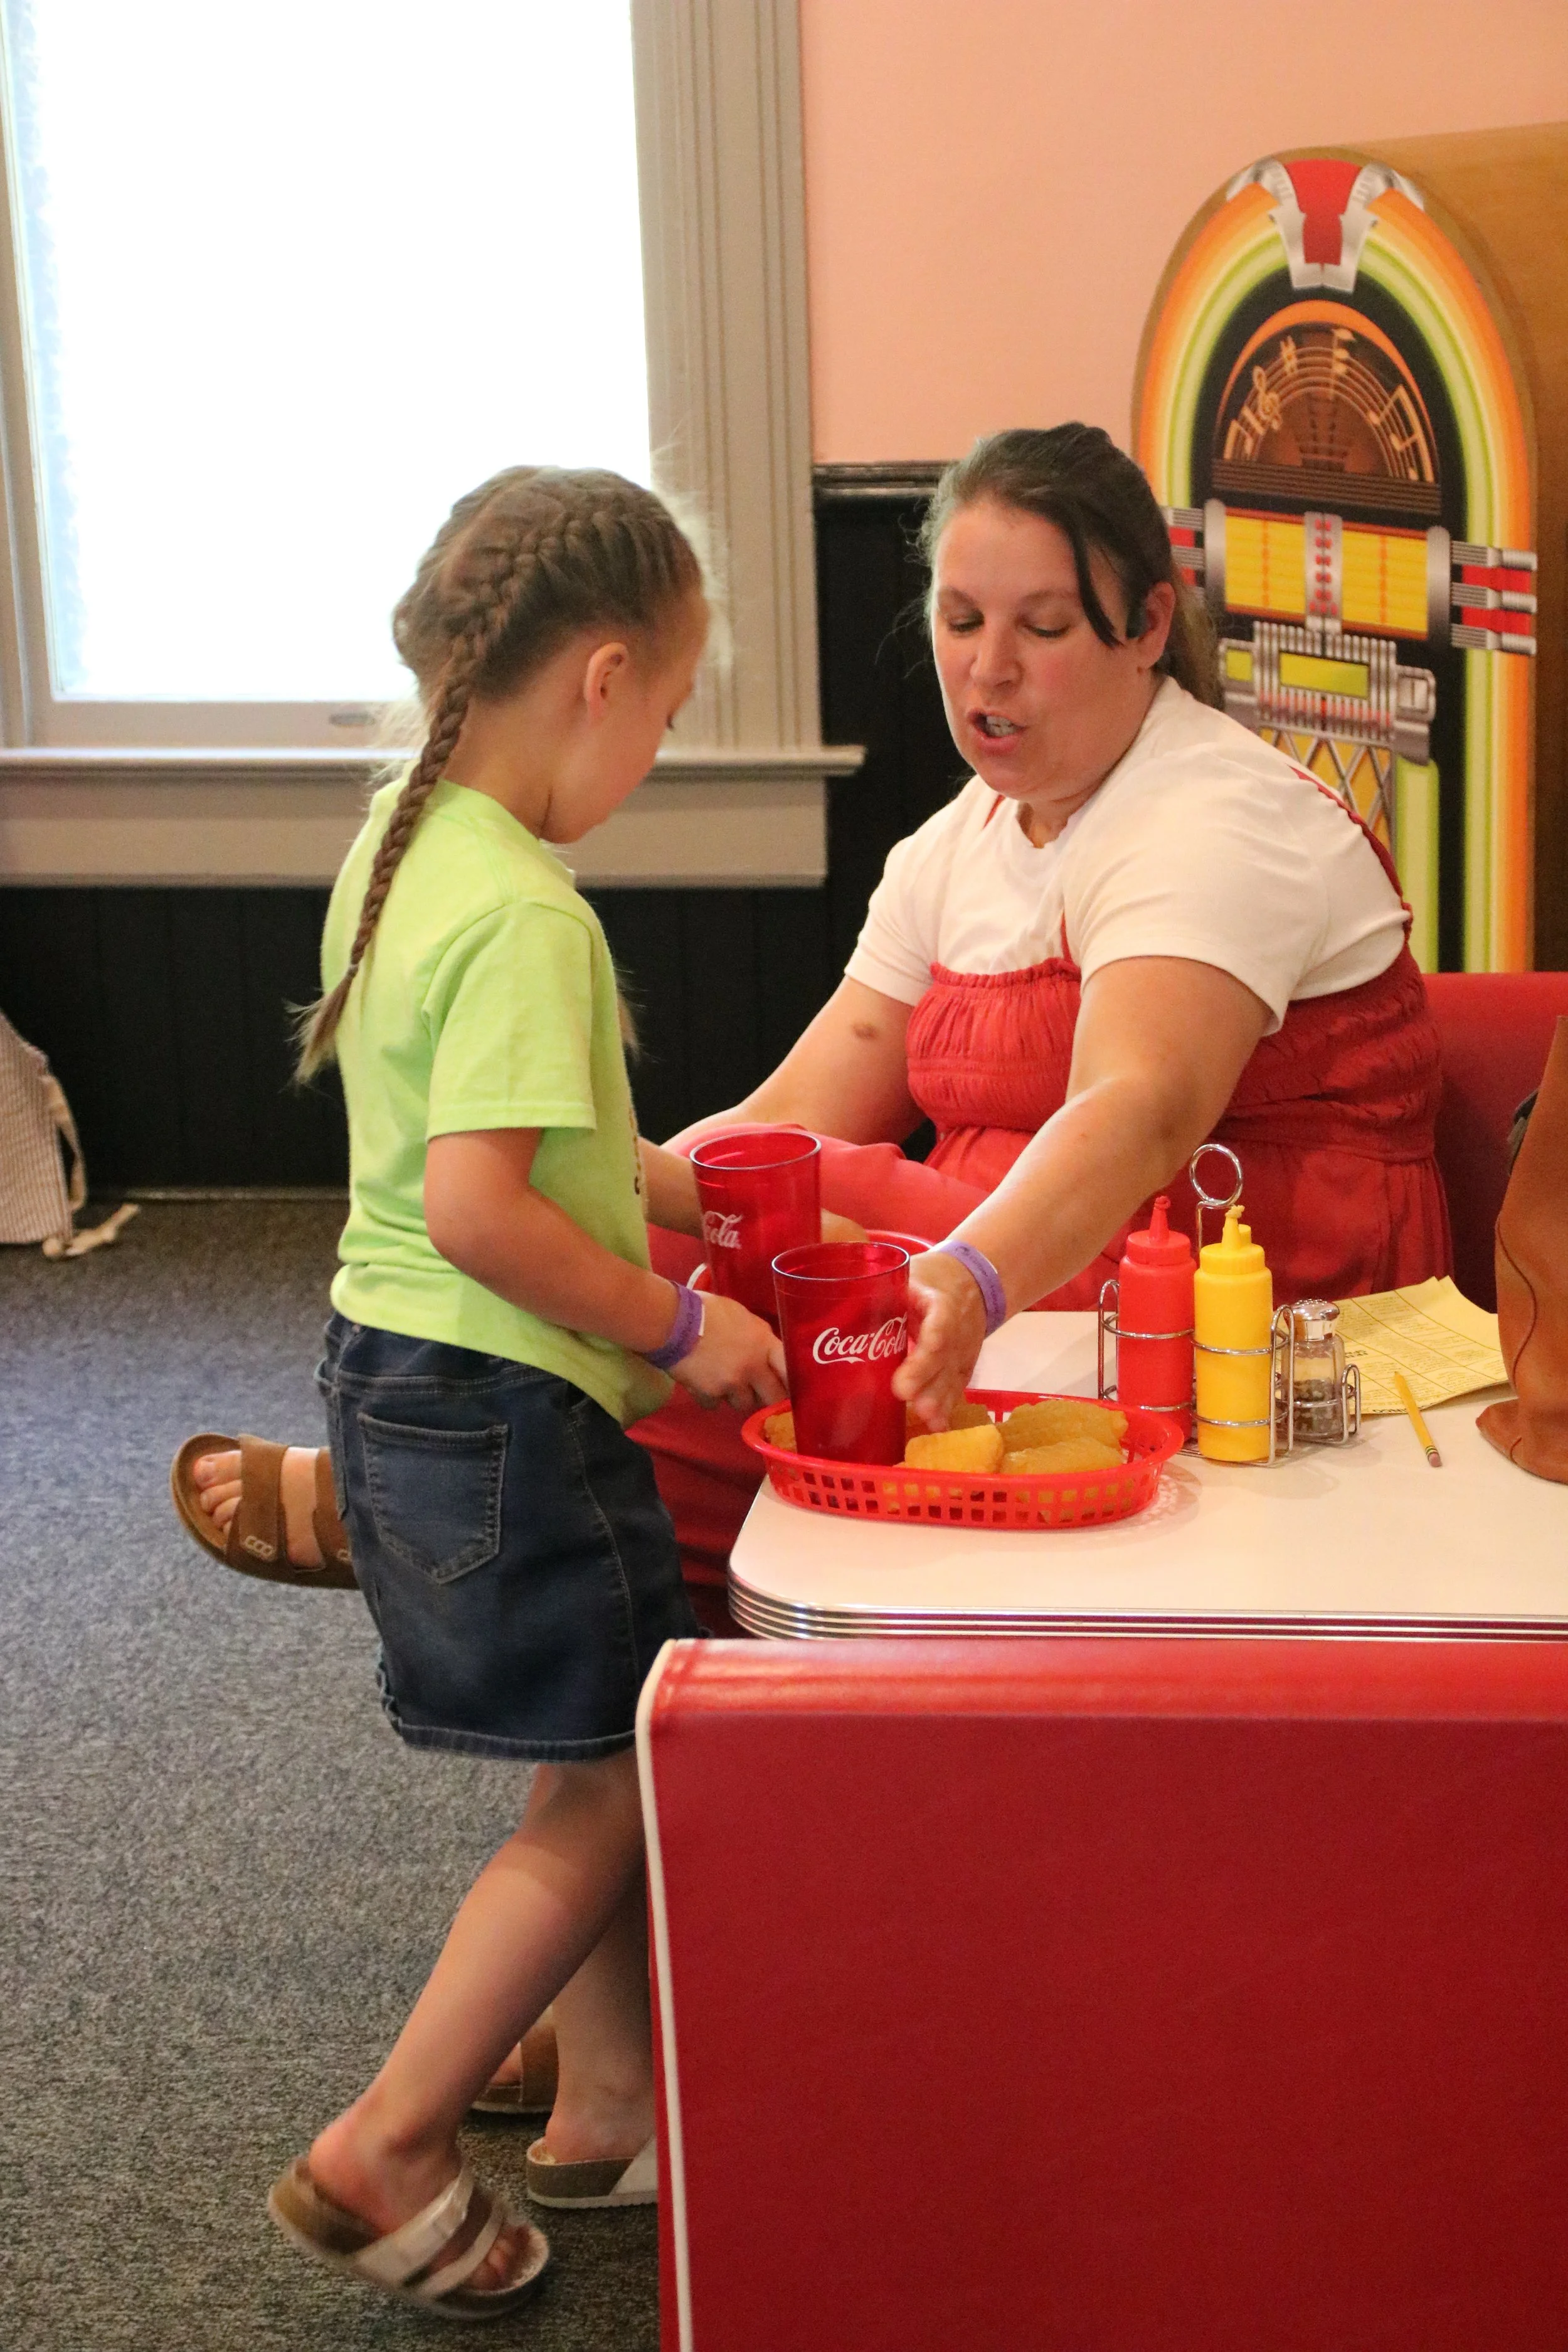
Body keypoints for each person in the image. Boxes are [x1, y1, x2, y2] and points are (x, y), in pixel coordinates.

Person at [181, 422, 1450, 1597]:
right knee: (713, 1189)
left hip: (1201, 1299)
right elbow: (797, 1105)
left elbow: (1143, 1109)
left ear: (1143, 625)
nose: (985, 667)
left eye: (1043, 627)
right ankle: (467, 1483)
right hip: (991, 1268)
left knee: (766, 1215)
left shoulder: (1212, 817)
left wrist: (970, 1273)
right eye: (957, 620)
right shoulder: (959, 840)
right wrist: (594, 1190)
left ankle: (445, 1496)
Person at [254, 466, 785, 2319]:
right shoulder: (533, 915)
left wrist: (693, 1186)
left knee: (591, 1739)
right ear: (607, 675)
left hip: (391, 1372)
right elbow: (487, 1211)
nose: (653, 753)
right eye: (670, 714)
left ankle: (600, 2108)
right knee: (623, 1777)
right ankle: (391, 2133)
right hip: (506, 1398)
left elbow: (486, 1149)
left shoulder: (405, 830)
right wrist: (674, 1319)